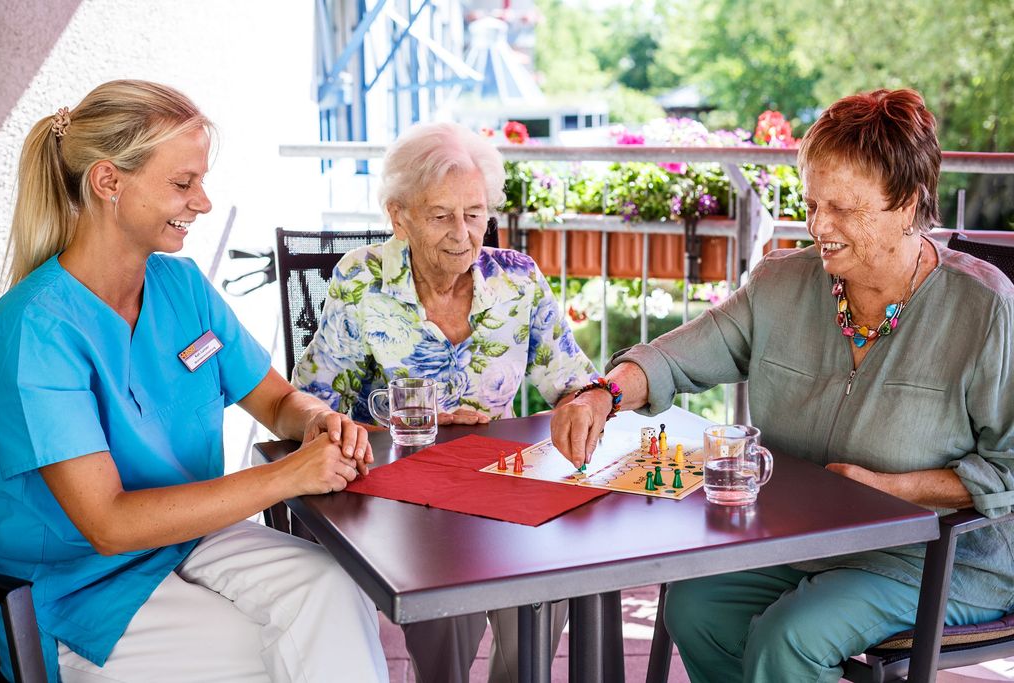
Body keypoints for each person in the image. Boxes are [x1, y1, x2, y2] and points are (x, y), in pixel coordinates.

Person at [549, 88, 1014, 682]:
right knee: (695, 607)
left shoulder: (984, 308)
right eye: (813, 203)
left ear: (907, 206)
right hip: (805, 540)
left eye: (845, 209)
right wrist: (605, 393)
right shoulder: (782, 283)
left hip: (935, 555)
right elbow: (678, 356)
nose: (820, 226)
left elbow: (1008, 465)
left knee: (786, 640)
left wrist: (890, 488)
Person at [0, 80, 389, 683]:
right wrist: (286, 475)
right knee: (272, 656)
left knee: (337, 591)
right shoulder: (35, 330)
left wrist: (315, 422)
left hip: (193, 536)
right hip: (82, 588)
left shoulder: (183, 289)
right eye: (182, 183)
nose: (201, 203)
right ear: (108, 182)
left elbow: (277, 401)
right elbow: (110, 524)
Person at [293, 121, 599, 683]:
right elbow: (311, 398)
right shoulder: (362, 282)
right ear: (399, 216)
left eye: (475, 213)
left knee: (548, 583)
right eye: (440, 216)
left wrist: (584, 404)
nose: (463, 233)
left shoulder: (517, 282)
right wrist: (398, 416)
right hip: (401, 491)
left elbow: (575, 381)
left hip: (503, 484)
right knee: (443, 597)